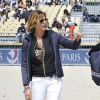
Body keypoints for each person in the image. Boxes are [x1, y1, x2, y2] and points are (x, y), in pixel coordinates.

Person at [21, 10, 84, 100]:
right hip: (37, 80)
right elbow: (24, 65)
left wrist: (77, 39)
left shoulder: (54, 35)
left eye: (46, 19)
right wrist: (26, 86)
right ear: (34, 23)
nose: (45, 22)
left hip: (54, 80)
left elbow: (73, 45)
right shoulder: (27, 41)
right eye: (41, 21)